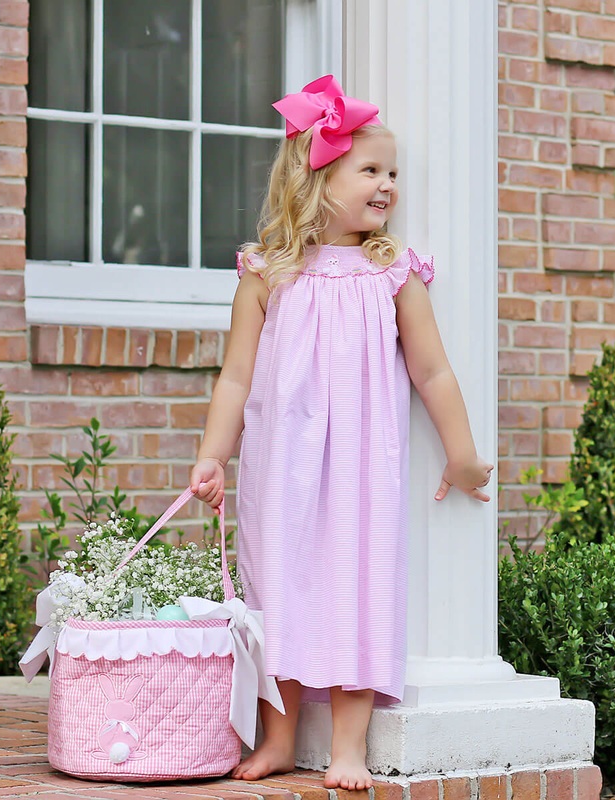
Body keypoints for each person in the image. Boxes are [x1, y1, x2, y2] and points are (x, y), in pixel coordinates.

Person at [189, 75, 493, 790]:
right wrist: (213, 456)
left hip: (363, 463)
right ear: (317, 177)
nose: (387, 184)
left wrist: (464, 454)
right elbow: (234, 378)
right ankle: (280, 737)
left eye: (393, 173)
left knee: (360, 588)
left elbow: (434, 372)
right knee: (278, 591)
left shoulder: (393, 273)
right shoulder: (268, 275)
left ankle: (349, 745)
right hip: (280, 462)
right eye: (371, 170)